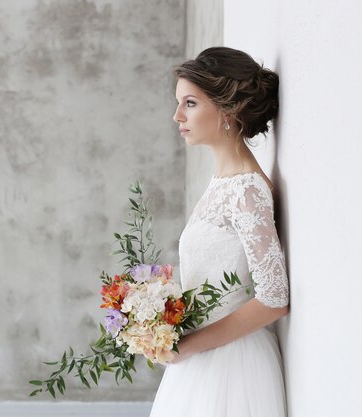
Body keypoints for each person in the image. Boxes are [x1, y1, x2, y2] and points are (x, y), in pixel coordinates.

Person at [148, 46, 291, 417]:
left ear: (227, 109)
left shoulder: (248, 191)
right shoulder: (222, 183)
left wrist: (188, 346)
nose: (177, 115)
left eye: (190, 103)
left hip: (232, 365)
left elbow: (274, 299)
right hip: (203, 359)